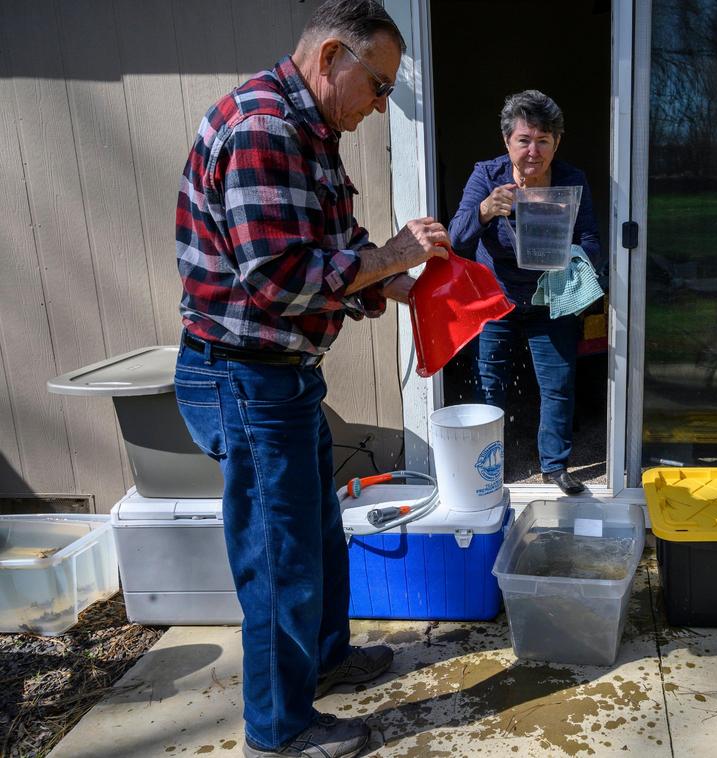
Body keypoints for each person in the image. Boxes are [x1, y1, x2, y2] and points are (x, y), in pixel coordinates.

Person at [173, 2, 450, 756]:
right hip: (245, 379)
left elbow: (335, 246)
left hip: (282, 378)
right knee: (279, 558)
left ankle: (324, 663)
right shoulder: (264, 129)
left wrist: (402, 284)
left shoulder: (311, 134)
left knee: (317, 539)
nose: (381, 104)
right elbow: (281, 278)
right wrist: (390, 259)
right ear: (332, 57)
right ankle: (279, 728)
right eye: (379, 85)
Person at [448, 90, 602, 496]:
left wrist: (575, 257)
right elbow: (456, 237)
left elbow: (591, 238)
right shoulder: (487, 175)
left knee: (558, 382)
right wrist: (485, 209)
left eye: (543, 141)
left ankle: (554, 467)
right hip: (496, 297)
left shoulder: (571, 180)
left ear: (557, 142)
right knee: (489, 382)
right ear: (507, 142)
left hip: (551, 299)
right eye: (524, 140)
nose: (533, 151)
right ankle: (486, 469)